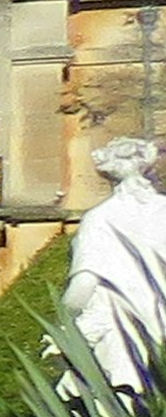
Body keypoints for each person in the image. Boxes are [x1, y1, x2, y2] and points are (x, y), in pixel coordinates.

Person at [70, 137, 166, 394]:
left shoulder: (99, 219)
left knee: (123, 409)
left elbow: (84, 284)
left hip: (123, 335)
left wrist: (64, 322)